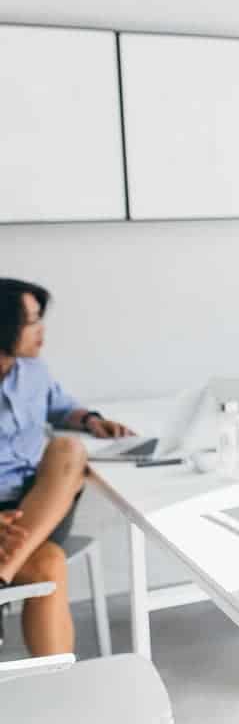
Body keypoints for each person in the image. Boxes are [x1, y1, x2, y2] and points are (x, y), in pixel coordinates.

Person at [0, 279, 134, 655]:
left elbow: (60, 407)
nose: (41, 330)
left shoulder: (34, 371)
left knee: (68, 449)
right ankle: (58, 687)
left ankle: (3, 568)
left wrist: (90, 419)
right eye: (32, 321)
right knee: (50, 565)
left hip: (36, 507)